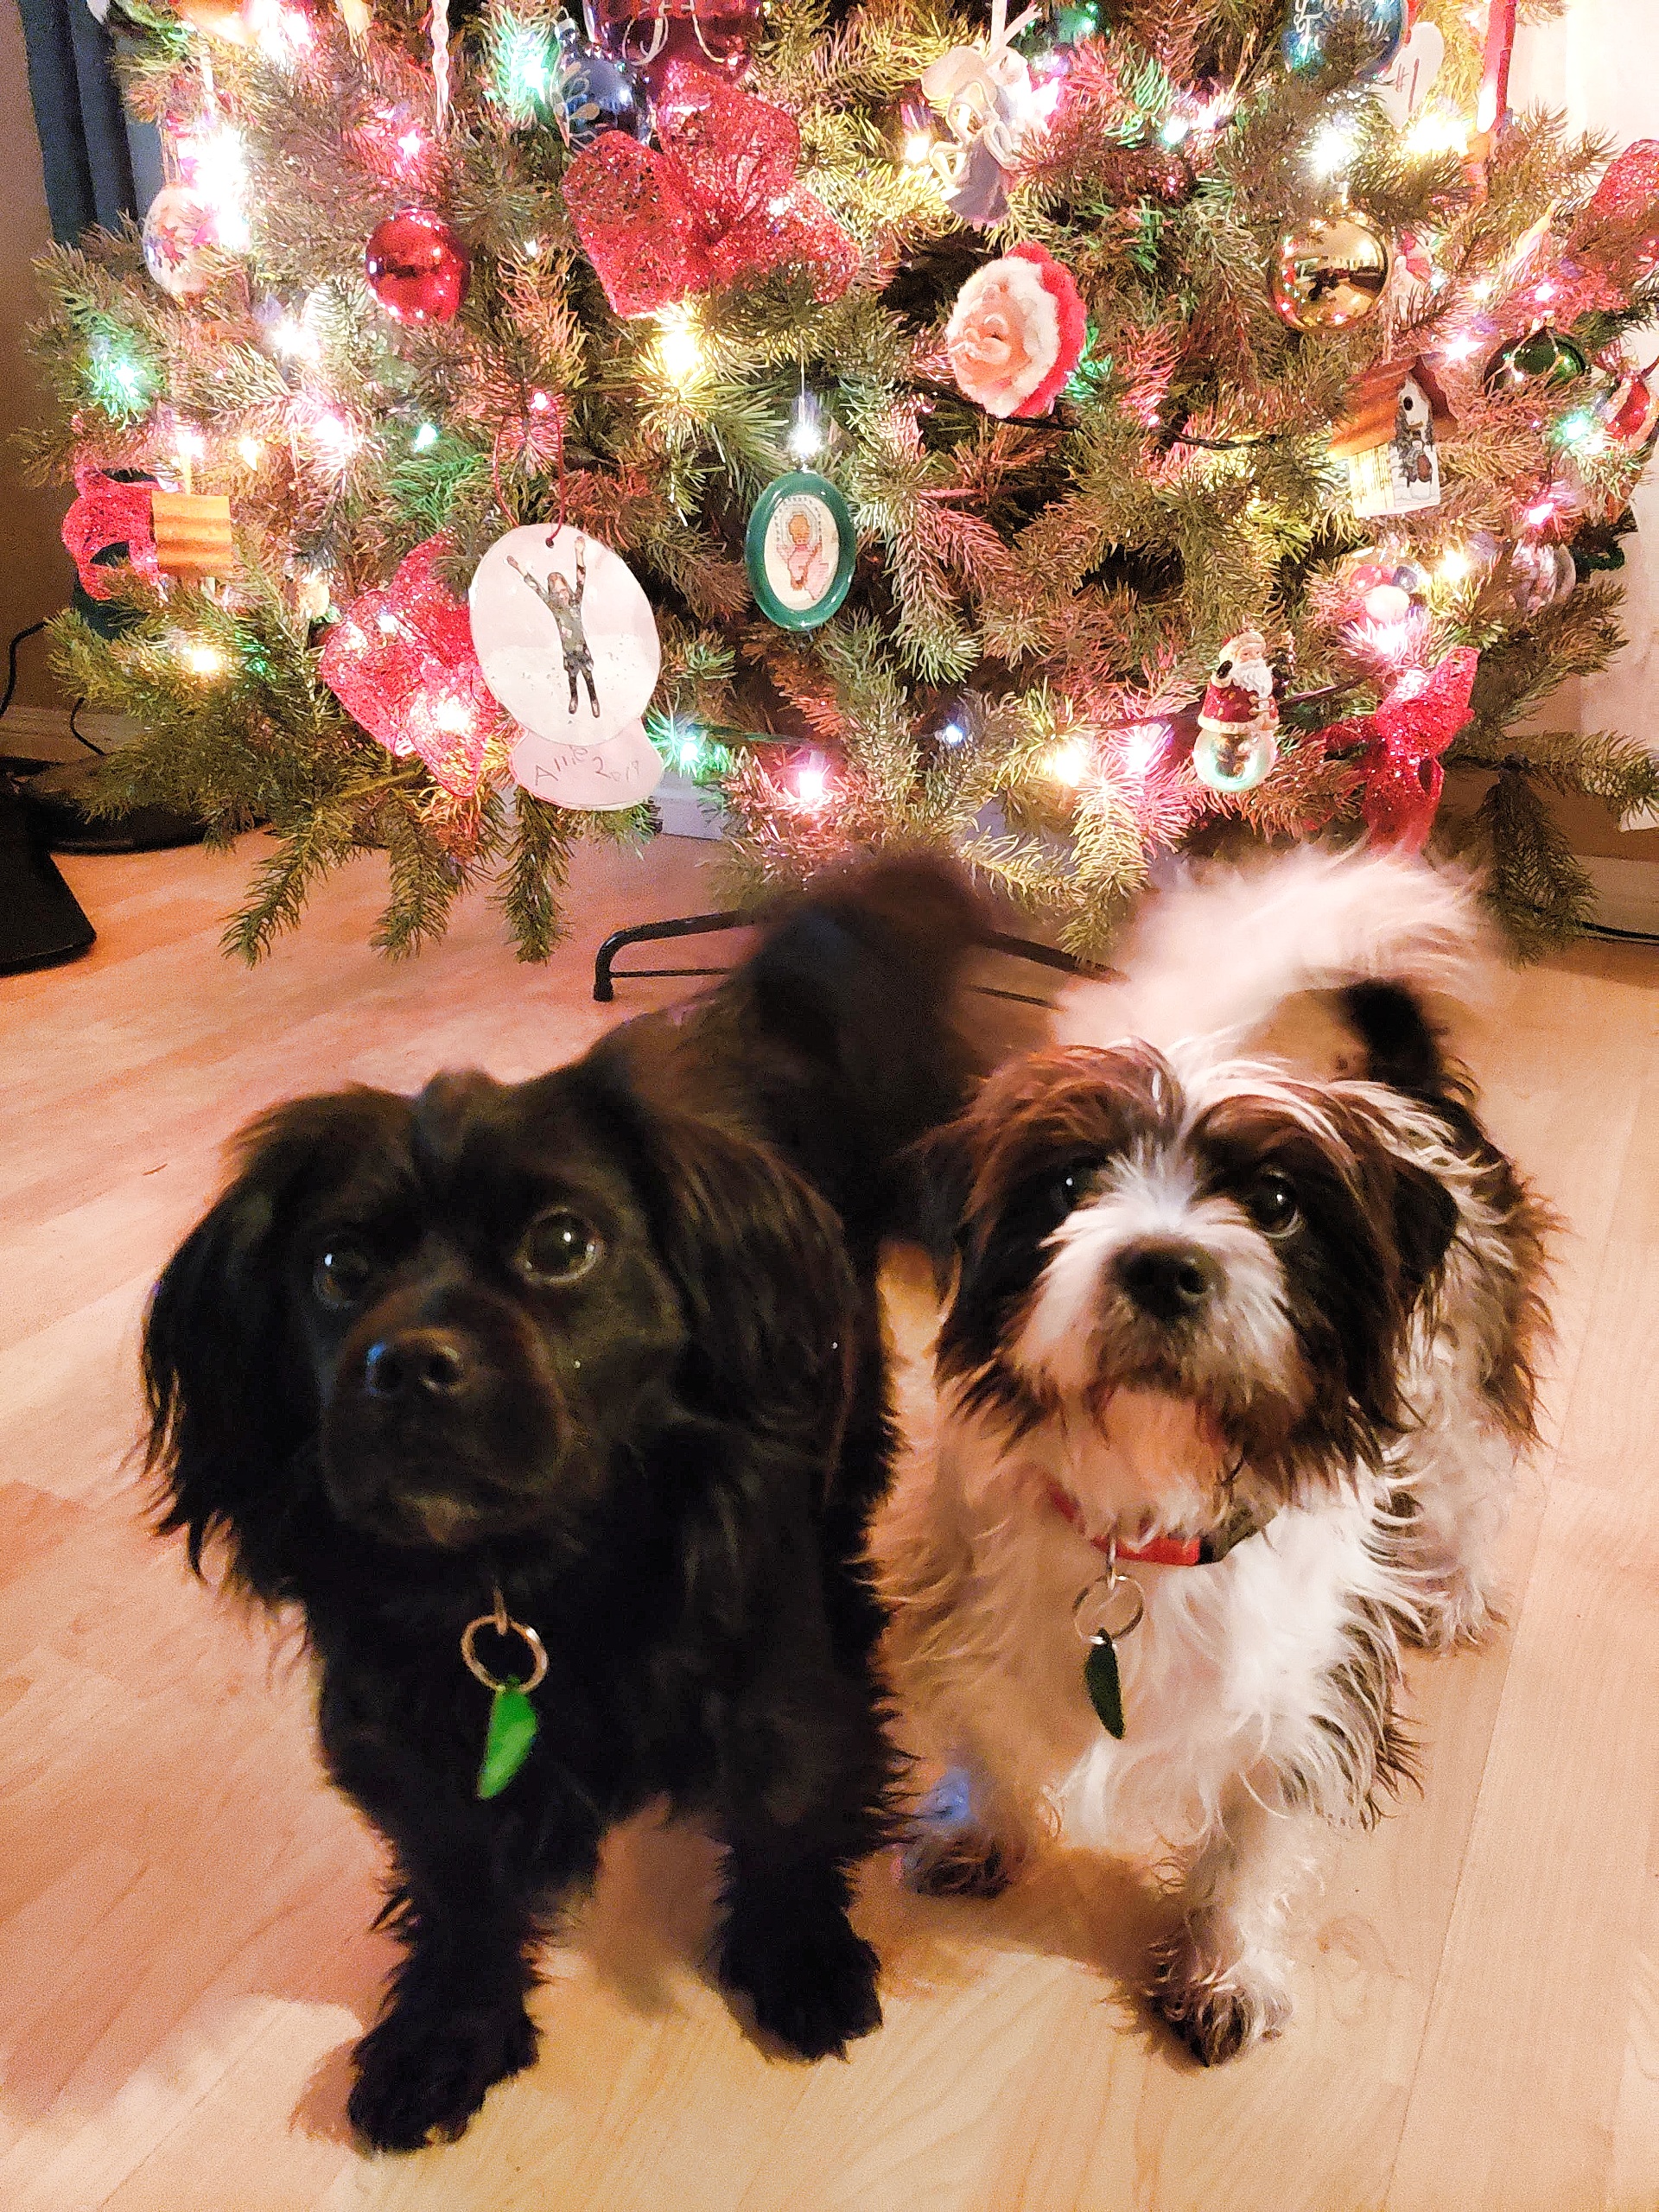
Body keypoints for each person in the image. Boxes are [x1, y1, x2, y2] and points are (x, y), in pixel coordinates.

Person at [507, 536, 601, 718]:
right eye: (557, 592)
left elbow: (581, 578)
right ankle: (574, 698)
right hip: (568, 650)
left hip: (581, 648)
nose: (562, 594)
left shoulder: (575, 602)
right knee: (572, 676)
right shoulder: (555, 608)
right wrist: (518, 567)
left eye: (564, 589)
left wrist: (578, 552)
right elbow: (536, 587)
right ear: (553, 594)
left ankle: (594, 700)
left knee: (588, 676)